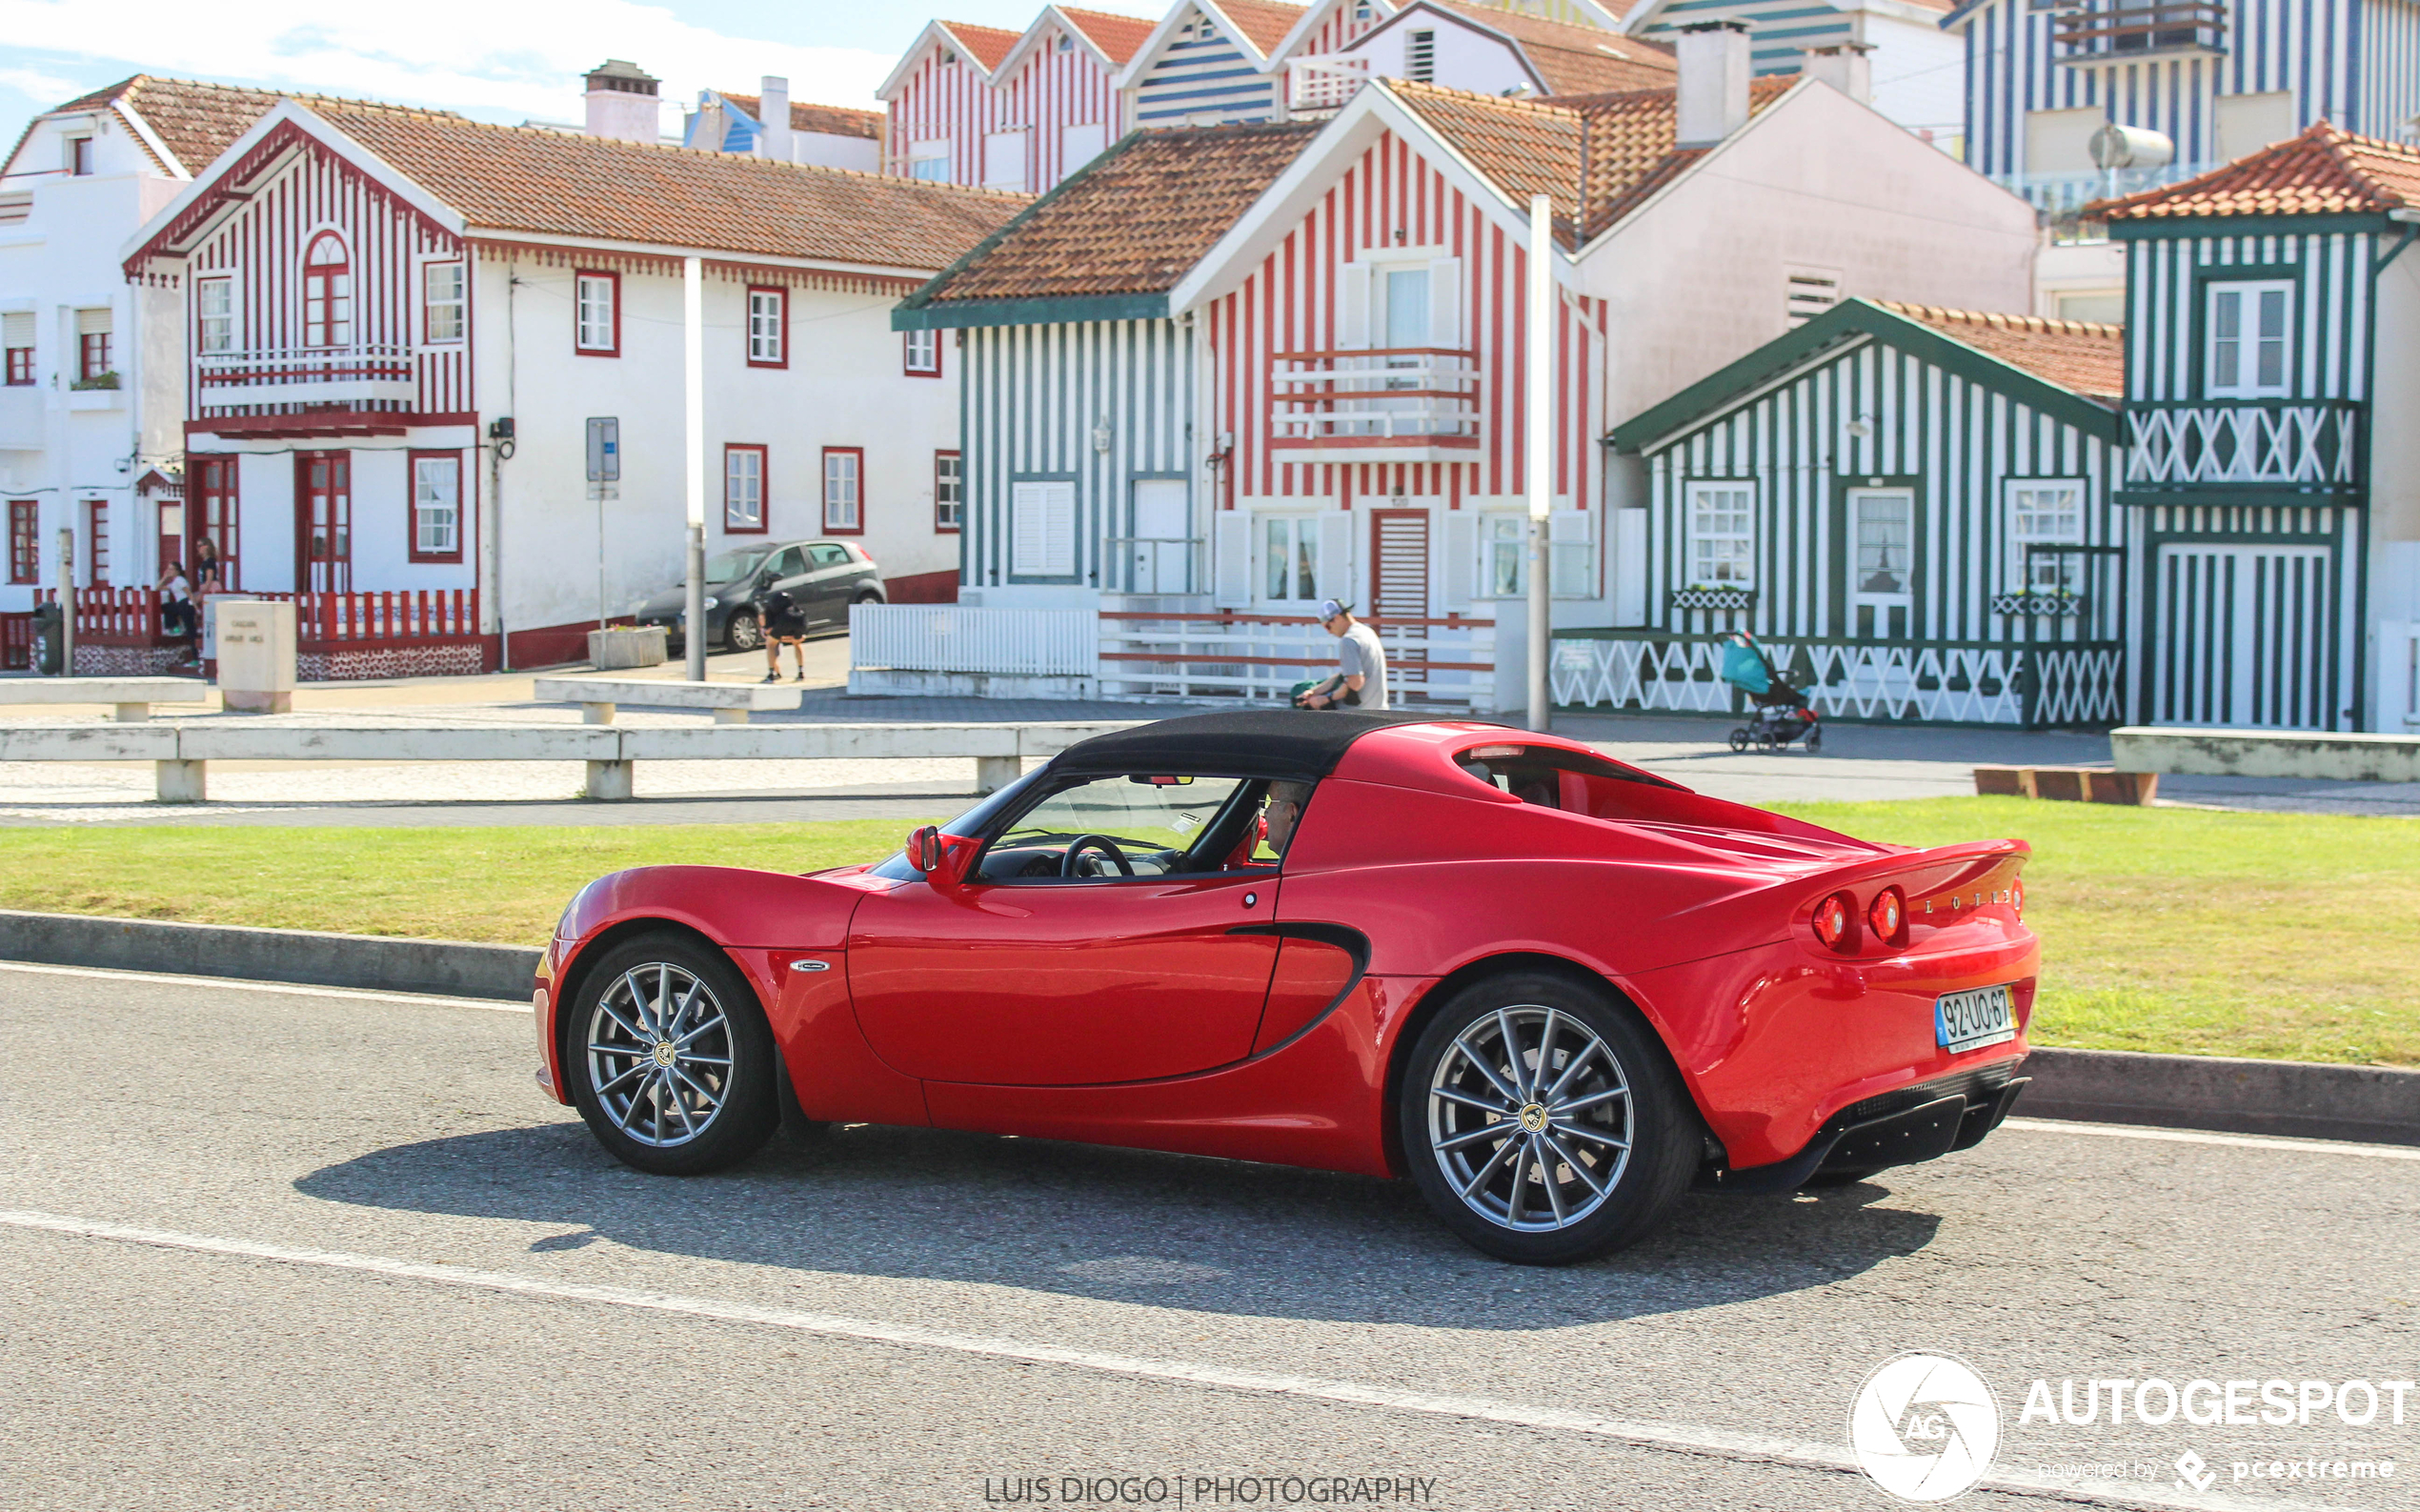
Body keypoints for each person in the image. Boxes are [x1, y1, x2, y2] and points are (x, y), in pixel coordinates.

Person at [1293, 598, 1387, 711]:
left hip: (1358, 712)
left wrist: (1326, 698)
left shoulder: (1348, 640)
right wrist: (1314, 691)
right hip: (1379, 708)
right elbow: (1346, 675)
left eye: (1328, 626)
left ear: (1337, 618)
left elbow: (1355, 682)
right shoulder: (1366, 632)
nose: (1329, 632)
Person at [754, 568, 808, 683]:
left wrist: (768, 632)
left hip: (783, 623)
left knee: (770, 644)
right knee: (797, 643)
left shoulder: (769, 608)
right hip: (799, 621)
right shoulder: (793, 605)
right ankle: (801, 672)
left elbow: (768, 629)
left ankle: (771, 673)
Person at [157, 561, 195, 662]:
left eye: (171, 569)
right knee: (166, 607)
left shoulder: (180, 580)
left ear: (177, 571)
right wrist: (165, 577)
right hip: (180, 604)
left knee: (191, 631)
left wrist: (194, 606)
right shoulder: (174, 582)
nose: (169, 571)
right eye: (168, 569)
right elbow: (158, 588)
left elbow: (188, 592)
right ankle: (175, 627)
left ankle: (195, 658)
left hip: (185, 604)